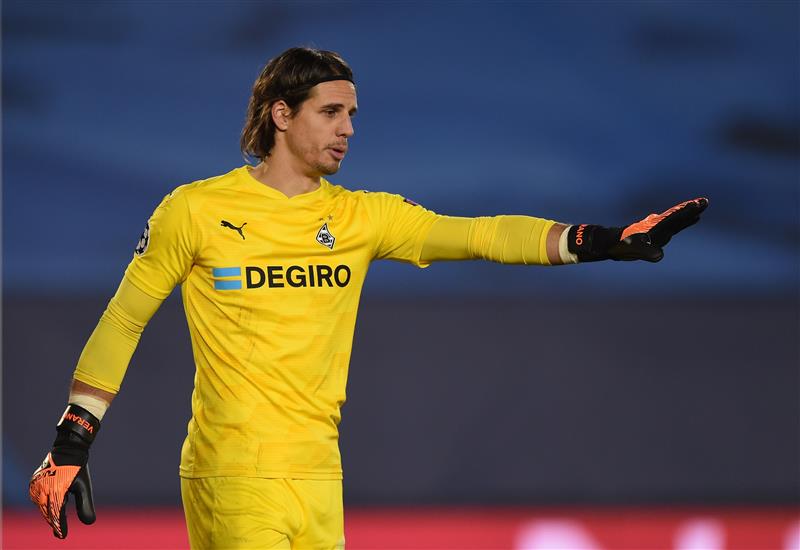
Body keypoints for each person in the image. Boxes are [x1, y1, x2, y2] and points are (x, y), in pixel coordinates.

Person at [29, 46, 708, 549]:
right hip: (233, 471)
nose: (347, 128)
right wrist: (71, 443)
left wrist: (607, 240)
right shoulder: (196, 211)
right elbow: (125, 318)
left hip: (321, 473)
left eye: (352, 114)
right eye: (330, 113)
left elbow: (479, 235)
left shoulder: (360, 217)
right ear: (281, 114)